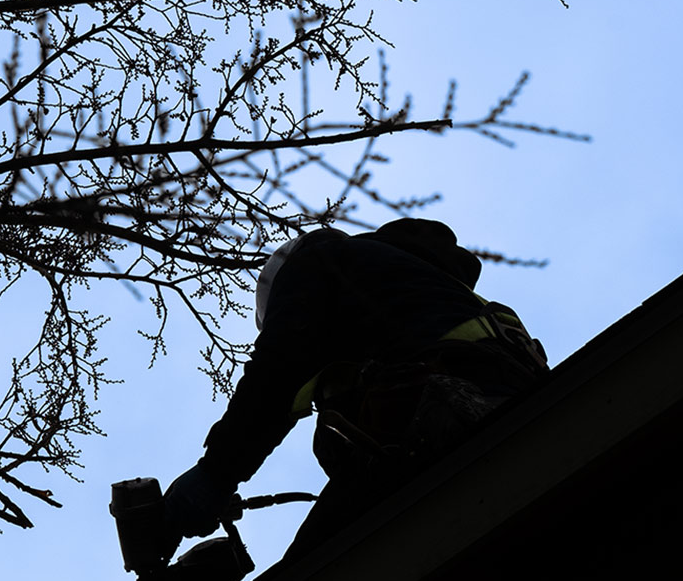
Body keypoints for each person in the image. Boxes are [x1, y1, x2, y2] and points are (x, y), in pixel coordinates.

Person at [163, 218, 549, 562]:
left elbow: (278, 369)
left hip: (444, 416)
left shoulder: (321, 262)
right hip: (521, 409)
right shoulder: (425, 288)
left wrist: (216, 474)